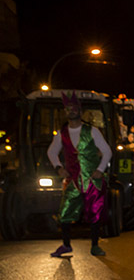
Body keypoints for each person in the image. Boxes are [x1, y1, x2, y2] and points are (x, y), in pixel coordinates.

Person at [47, 91, 112, 257]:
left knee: (95, 212)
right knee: (65, 212)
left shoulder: (92, 131)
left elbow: (107, 151)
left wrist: (100, 170)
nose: (71, 111)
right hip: (73, 179)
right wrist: (59, 168)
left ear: (80, 111)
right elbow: (52, 152)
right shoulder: (62, 134)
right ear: (65, 112)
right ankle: (66, 245)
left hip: (92, 179)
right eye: (68, 108)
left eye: (74, 108)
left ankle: (95, 245)